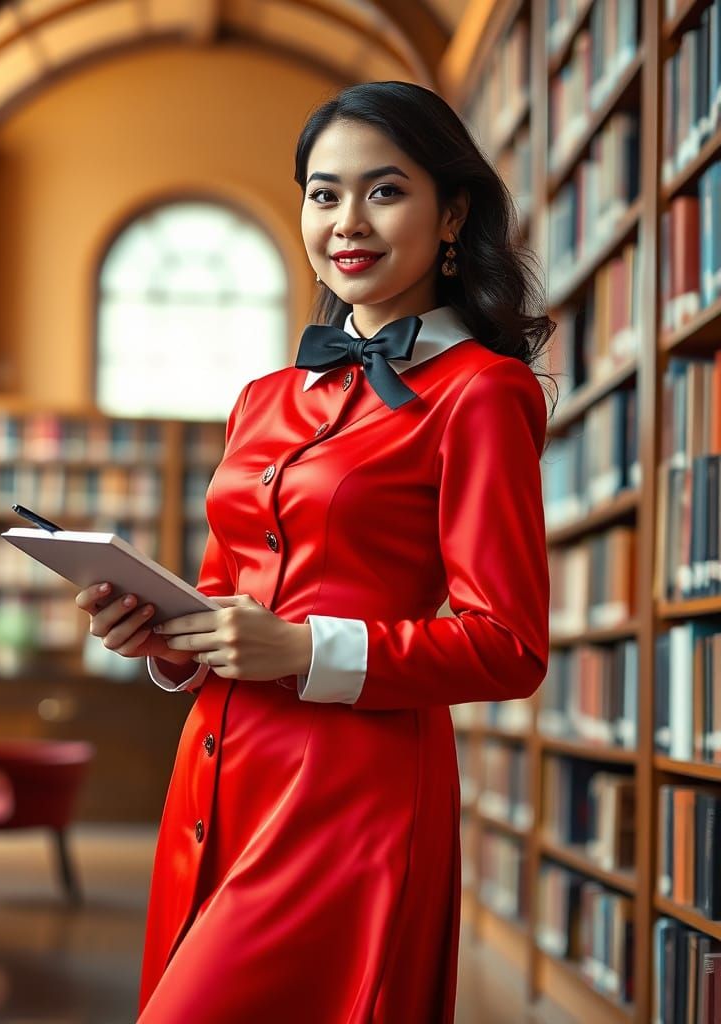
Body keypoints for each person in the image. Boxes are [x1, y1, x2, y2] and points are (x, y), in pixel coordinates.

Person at [76, 80, 555, 1023]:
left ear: (452, 211)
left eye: (385, 191)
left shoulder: (482, 394)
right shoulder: (263, 397)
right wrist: (162, 636)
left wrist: (303, 651)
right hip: (214, 773)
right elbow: (222, 600)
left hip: (354, 802)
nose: (347, 222)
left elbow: (509, 644)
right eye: (323, 193)